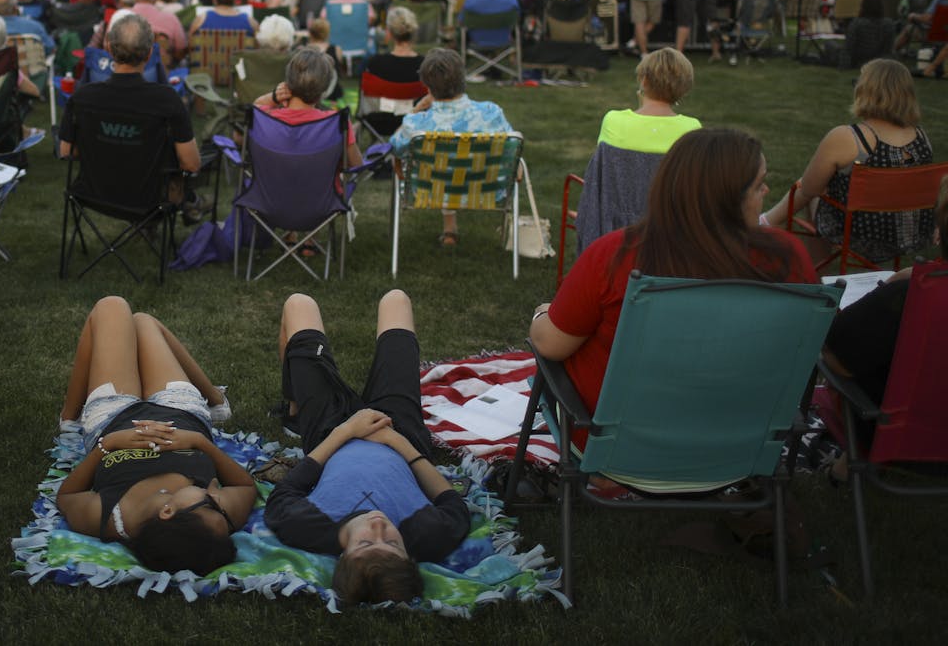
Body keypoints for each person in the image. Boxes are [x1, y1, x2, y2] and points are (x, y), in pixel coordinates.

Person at [529, 128, 819, 460]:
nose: (767, 191)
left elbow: (550, 344)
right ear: (726, 199)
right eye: (758, 184)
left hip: (620, 445)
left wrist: (541, 313)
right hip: (738, 440)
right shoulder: (788, 258)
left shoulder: (617, 255)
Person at [264, 290, 470, 607]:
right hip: (398, 432)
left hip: (330, 432)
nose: (379, 527)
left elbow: (286, 491)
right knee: (396, 300)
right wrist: (395, 441)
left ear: (342, 557)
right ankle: (298, 407)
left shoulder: (308, 528)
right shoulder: (428, 536)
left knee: (299, 304)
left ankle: (295, 411)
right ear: (408, 555)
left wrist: (346, 431)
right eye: (392, 542)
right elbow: (452, 502)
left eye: (365, 543)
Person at [56, 296, 250, 574]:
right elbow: (245, 487)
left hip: (112, 419)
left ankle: (69, 417)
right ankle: (216, 400)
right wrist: (198, 442)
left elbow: (67, 496)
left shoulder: (111, 517)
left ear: (168, 512)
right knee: (143, 322)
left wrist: (107, 445)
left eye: (209, 503)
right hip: (182, 411)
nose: (216, 493)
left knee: (112, 307)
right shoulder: (217, 522)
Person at [821, 175, 947, 475]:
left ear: (939, 234)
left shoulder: (910, 294)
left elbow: (835, 357)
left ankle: (842, 469)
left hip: (912, 443)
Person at [761, 59, 934, 263]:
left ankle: (769, 226)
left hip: (857, 235)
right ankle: (766, 222)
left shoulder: (848, 137)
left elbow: (809, 188)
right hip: (908, 235)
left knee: (814, 189)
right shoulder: (922, 138)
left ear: (866, 90)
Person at [58, 14, 202, 211]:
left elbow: (67, 151)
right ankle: (192, 204)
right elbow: (191, 164)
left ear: (108, 49)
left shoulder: (82, 96)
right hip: (150, 201)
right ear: (150, 54)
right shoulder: (167, 100)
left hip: (94, 195)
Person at [389, 48, 514, 247]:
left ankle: (449, 230)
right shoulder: (491, 113)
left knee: (443, 167)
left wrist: (417, 109)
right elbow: (512, 150)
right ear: (462, 78)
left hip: (432, 190)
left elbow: (394, 147)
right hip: (483, 190)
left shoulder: (416, 124)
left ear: (427, 85)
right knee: (458, 165)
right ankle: (450, 230)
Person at [253, 47, 361, 170]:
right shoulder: (336, 122)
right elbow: (356, 165)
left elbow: (256, 105)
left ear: (287, 81)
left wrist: (273, 96)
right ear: (324, 90)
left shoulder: (264, 118)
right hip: (320, 188)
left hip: (270, 188)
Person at [595, 48, 700, 154]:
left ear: (644, 81)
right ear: (684, 88)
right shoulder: (691, 129)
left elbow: (602, 167)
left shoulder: (614, 121)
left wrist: (642, 107)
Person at [843, 0, 897, 68]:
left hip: (858, 61)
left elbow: (848, 48)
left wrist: (844, 65)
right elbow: (889, 50)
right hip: (881, 61)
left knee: (830, 45)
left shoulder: (857, 23)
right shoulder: (889, 24)